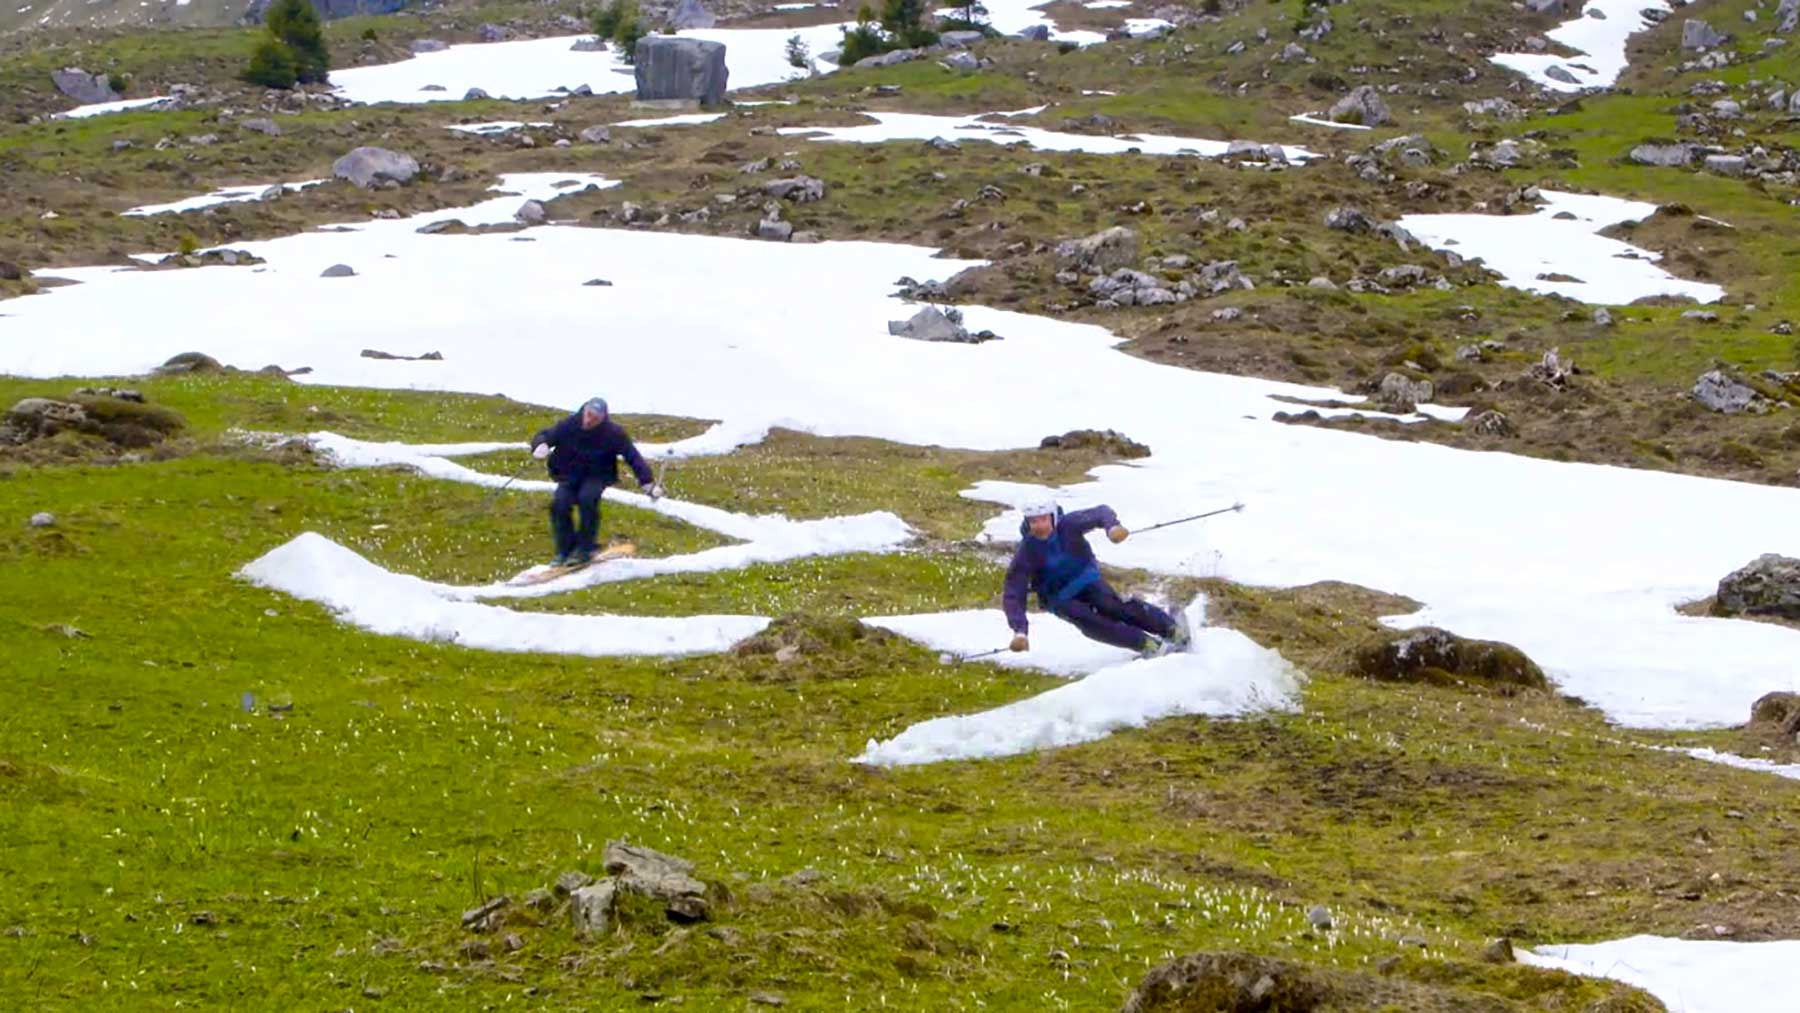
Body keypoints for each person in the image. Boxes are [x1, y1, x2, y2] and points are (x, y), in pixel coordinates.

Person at [1002, 500, 1188, 658]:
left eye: (1043, 519)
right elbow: (1013, 592)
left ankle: (1170, 628)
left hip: (1086, 579)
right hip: (1059, 598)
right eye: (1034, 521)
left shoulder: (1068, 524)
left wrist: (1112, 527)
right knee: (1092, 623)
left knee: (1112, 605)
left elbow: (1101, 512)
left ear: (1053, 517)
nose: (1040, 526)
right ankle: (1146, 645)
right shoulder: (1027, 551)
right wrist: (1020, 631)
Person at [529, 397, 663, 566]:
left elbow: (632, 457)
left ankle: (585, 549)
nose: (590, 420)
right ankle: (565, 551)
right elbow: (544, 436)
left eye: (595, 418)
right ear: (584, 411)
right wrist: (540, 445)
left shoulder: (613, 433)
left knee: (588, 499)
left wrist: (648, 483)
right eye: (589, 414)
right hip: (569, 476)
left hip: (597, 475)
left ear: (602, 418)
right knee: (559, 505)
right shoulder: (568, 425)